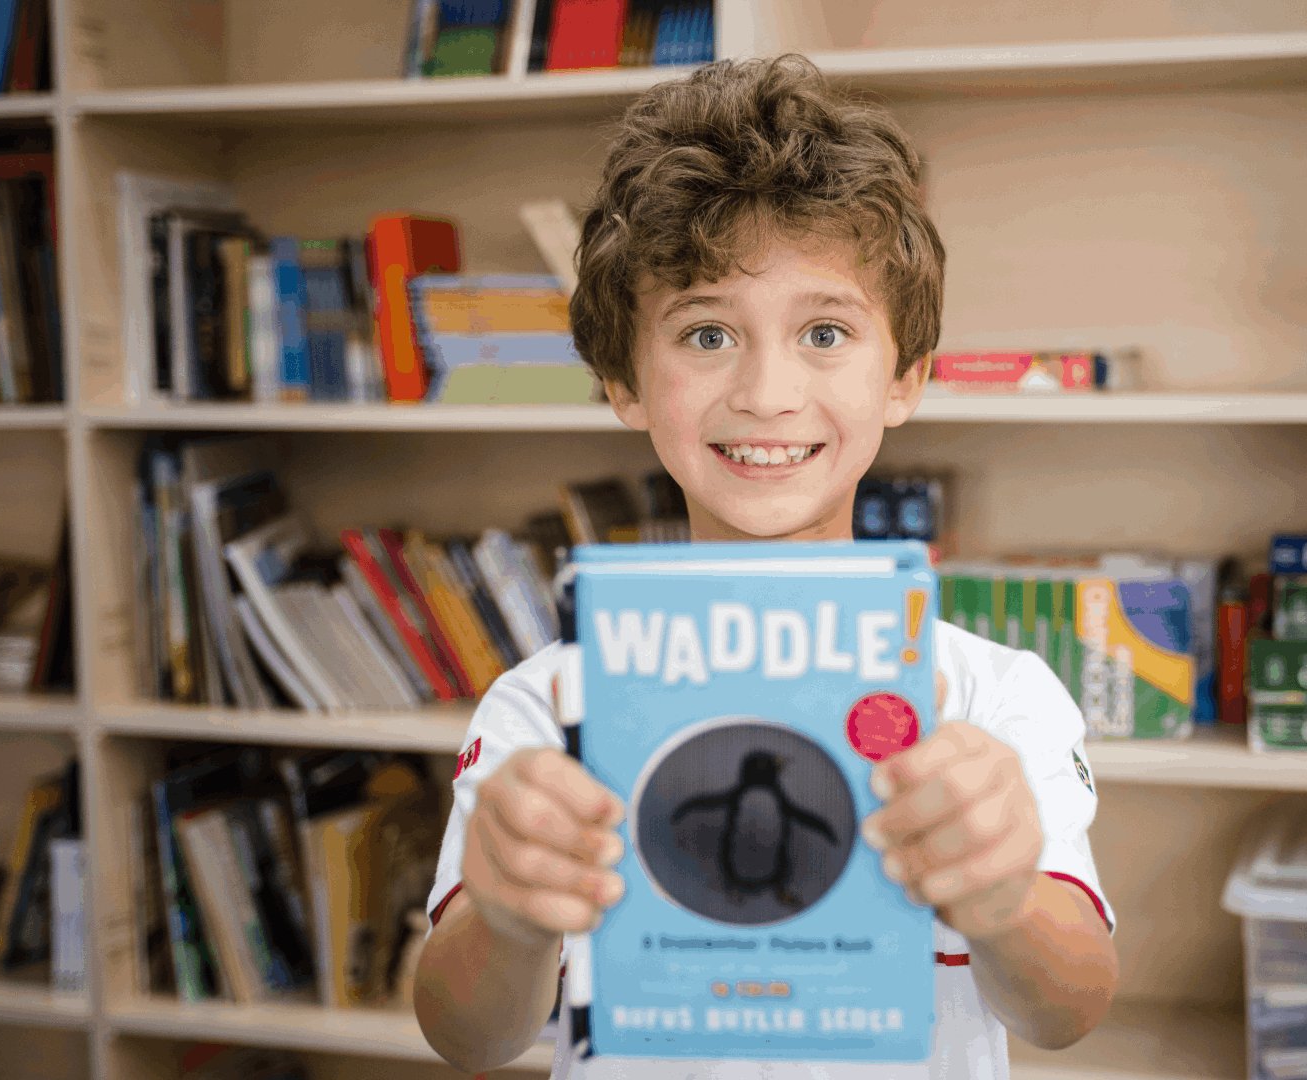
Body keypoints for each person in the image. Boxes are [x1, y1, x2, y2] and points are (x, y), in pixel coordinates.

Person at [414, 53, 1118, 1078]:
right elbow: (467, 1038)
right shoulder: (548, 705)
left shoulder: (995, 697)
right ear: (623, 382)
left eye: (825, 332)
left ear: (905, 377)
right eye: (706, 334)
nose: (767, 393)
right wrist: (510, 918)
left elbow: (1068, 1012)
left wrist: (1005, 893)